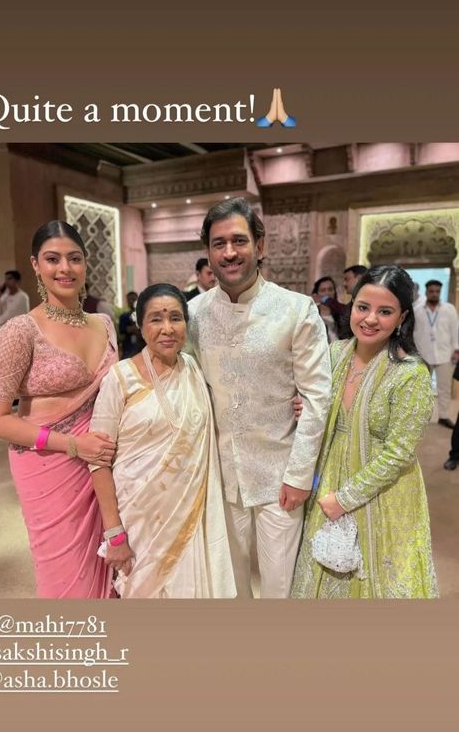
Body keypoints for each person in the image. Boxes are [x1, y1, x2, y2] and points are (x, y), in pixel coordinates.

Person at [187, 197, 331, 598]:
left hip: (279, 477)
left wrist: (301, 475)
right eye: (219, 244)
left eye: (239, 241)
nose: (229, 253)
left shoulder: (296, 310)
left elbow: (318, 396)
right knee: (226, 586)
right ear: (208, 252)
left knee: (279, 589)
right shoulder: (192, 314)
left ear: (260, 245)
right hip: (217, 475)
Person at [0, 221, 118, 598]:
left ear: (86, 264)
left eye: (74, 258)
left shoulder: (104, 324)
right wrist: (73, 445)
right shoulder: (20, 331)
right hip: (48, 465)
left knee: (115, 567)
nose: (65, 268)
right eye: (52, 259)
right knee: (67, 577)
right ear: (36, 265)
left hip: (105, 462)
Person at [292, 265, 438, 599]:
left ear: (401, 317)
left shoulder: (409, 373)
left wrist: (343, 499)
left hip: (382, 493)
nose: (370, 319)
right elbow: (319, 408)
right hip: (330, 475)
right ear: (351, 305)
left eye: (384, 311)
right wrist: (307, 410)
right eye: (363, 307)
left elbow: (398, 454)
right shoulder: (335, 354)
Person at [89, 283, 236, 599]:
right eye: (156, 319)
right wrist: (114, 533)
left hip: (193, 514)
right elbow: (98, 460)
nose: (167, 329)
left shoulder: (196, 370)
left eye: (175, 318)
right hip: (140, 518)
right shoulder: (119, 379)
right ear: (140, 326)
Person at [413, 280, 458, 429]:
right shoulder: (417, 309)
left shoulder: (449, 309)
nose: (434, 294)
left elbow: (455, 329)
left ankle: (444, 417)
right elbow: (412, 332)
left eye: (437, 291)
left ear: (440, 292)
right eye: (431, 291)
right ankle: (420, 417)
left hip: (445, 354)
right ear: (426, 292)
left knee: (444, 388)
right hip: (423, 354)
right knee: (422, 388)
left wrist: (457, 349)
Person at [0, 270, 29, 335]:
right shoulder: (4, 297)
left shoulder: (22, 297)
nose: (7, 281)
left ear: (17, 281)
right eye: (6, 279)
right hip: (4, 331)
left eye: (10, 279)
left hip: (17, 332)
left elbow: (9, 314)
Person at [312, 276, 344, 343]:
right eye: (323, 290)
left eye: (330, 290)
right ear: (316, 294)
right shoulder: (312, 313)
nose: (327, 293)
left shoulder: (341, 311)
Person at [118, 290, 145, 359]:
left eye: (133, 299)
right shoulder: (124, 316)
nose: (131, 301)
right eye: (129, 299)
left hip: (143, 346)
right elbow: (122, 330)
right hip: (129, 347)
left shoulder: (144, 315)